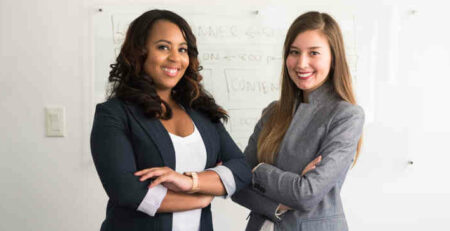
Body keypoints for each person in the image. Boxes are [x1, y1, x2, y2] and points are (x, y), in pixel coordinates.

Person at [90, 9, 251, 231]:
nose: (175, 57)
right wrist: (200, 198)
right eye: (163, 47)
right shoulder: (115, 114)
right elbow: (126, 191)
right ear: (140, 52)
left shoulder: (202, 112)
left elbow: (241, 169)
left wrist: (191, 182)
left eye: (182, 49)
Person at [231, 11, 365, 231]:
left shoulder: (346, 116)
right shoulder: (272, 112)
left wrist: (259, 170)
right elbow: (237, 184)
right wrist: (278, 204)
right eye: (294, 52)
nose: (302, 63)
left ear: (333, 58)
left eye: (314, 53)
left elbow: (306, 193)